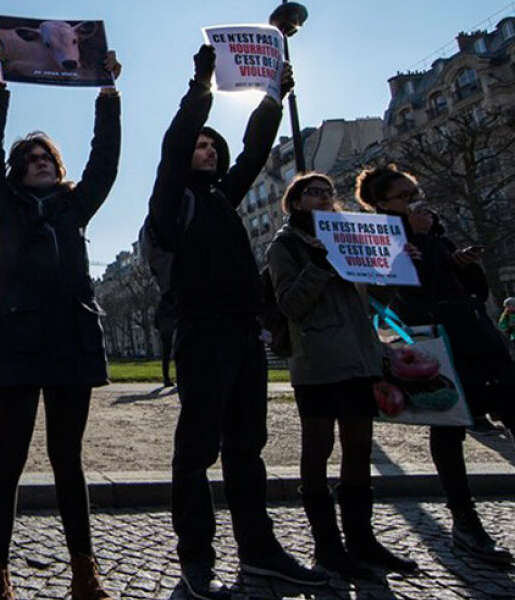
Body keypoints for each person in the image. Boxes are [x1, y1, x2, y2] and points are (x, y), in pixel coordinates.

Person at [143, 45, 325, 599]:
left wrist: (273, 97)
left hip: (246, 334)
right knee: (197, 451)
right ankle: (196, 558)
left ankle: (260, 551)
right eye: (200, 144)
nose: (206, 149)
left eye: (211, 146)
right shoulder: (172, 202)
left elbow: (253, 151)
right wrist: (201, 87)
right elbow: (175, 149)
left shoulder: (223, 197)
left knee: (248, 448)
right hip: (203, 333)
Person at [0, 37, 121, 600]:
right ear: (18, 171)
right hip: (16, 339)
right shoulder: (2, 207)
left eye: (47, 159)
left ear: (57, 169)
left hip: (69, 340)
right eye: (30, 159)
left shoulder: (74, 206)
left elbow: (105, 160)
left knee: (69, 461)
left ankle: (85, 574)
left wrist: (108, 92)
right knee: (7, 459)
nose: (38, 163)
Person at [355, 165, 515, 566]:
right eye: (406, 197)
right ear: (383, 205)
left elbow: (471, 288)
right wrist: (422, 241)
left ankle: (467, 524)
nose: (417, 202)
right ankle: (465, 522)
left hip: (477, 334)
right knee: (450, 427)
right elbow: (412, 292)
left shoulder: (434, 232)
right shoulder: (387, 240)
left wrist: (462, 262)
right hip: (440, 341)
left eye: (416, 192)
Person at [266, 173, 417, 578]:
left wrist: (395, 266)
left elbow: (373, 300)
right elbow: (291, 304)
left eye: (328, 192)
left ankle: (362, 540)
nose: (323, 198)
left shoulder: (350, 237)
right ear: (295, 203)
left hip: (359, 356)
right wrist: (319, 266)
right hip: (317, 361)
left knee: (358, 451)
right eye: (312, 192)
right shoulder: (284, 245)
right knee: (317, 451)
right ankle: (328, 546)